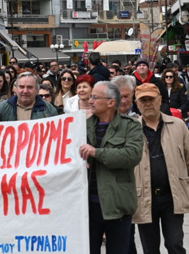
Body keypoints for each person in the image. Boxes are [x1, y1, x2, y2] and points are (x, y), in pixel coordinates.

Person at [133, 83, 189, 254]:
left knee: (175, 244)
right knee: (150, 248)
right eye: (143, 100)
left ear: (160, 100)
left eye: (151, 99)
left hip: (172, 196)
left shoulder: (178, 126)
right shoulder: (131, 130)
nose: (148, 103)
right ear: (137, 103)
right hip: (144, 198)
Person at [80, 81, 144, 254]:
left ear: (111, 102)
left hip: (117, 206)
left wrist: (96, 152)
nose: (90, 100)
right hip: (87, 207)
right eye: (90, 96)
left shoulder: (130, 126)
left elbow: (131, 156)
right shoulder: (82, 126)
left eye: (95, 97)